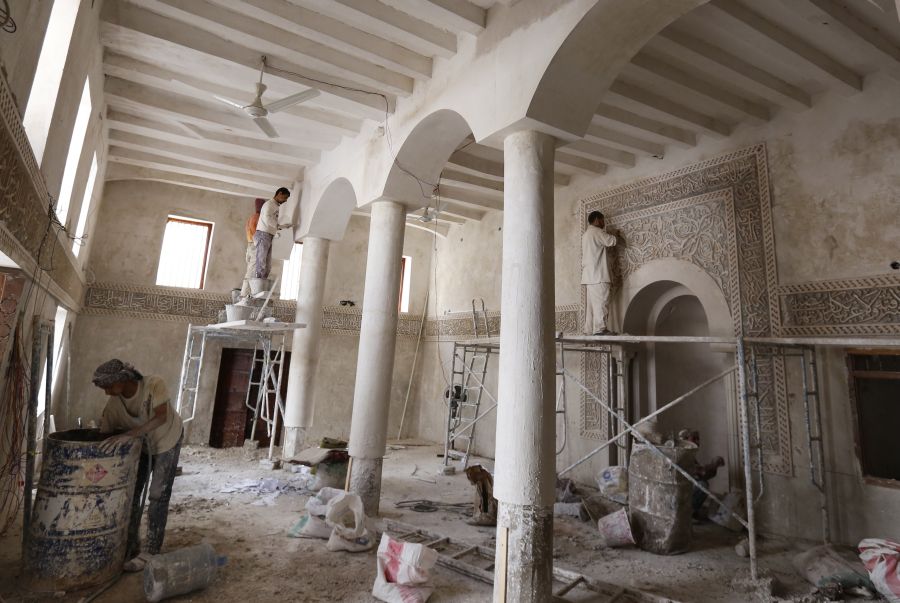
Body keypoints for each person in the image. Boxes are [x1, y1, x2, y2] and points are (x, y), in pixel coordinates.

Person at [94, 359, 184, 571]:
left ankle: (151, 550)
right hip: (142, 446)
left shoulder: (154, 385)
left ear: (123, 380)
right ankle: (130, 545)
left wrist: (129, 434)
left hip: (167, 440)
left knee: (157, 495)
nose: (106, 392)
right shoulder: (114, 406)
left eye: (108, 386)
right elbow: (102, 436)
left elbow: (161, 417)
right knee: (132, 494)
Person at [581, 210, 618, 335]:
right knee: (602, 302)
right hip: (598, 275)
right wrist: (616, 234)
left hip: (589, 276)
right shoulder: (597, 232)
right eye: (602, 220)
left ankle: (588, 331)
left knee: (591, 307)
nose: (604, 223)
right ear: (596, 219)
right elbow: (611, 241)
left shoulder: (586, 235)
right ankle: (600, 329)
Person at [253, 186, 292, 281]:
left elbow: (271, 221)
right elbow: (267, 219)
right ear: (280, 194)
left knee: (267, 264)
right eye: (285, 197)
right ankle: (258, 283)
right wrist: (278, 226)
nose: (285, 200)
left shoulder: (275, 206)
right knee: (261, 261)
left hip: (268, 235)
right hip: (263, 234)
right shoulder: (269, 204)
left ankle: (262, 282)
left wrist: (282, 226)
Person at [240, 198, 266, 297]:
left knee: (250, 270)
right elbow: (258, 234)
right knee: (252, 271)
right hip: (254, 245)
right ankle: (245, 295)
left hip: (250, 245)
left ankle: (245, 294)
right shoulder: (258, 218)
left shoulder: (252, 217)